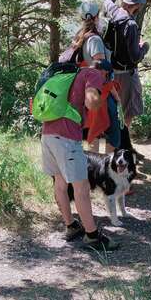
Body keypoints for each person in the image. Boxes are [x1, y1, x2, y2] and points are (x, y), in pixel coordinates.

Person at [41, 61, 119, 250]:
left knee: (60, 183)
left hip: (47, 134)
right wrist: (100, 98)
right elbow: (91, 102)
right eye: (106, 76)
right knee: (81, 186)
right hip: (67, 138)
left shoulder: (67, 74)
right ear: (103, 72)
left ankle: (71, 226)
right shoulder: (93, 75)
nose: (105, 79)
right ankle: (92, 236)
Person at [72, 2, 120, 153]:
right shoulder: (95, 40)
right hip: (100, 92)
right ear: (96, 17)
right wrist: (114, 94)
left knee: (95, 131)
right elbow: (100, 70)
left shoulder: (79, 37)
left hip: (86, 91)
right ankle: (106, 169)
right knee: (112, 133)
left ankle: (94, 169)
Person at [103, 0, 149, 128]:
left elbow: (107, 0)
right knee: (129, 111)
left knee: (112, 109)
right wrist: (144, 47)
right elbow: (135, 56)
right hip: (127, 75)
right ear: (136, 4)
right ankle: (123, 142)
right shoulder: (131, 25)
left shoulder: (115, 12)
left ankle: (113, 142)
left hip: (111, 71)